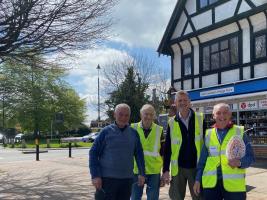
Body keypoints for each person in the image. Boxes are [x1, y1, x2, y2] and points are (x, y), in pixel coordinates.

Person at [193, 103, 255, 200]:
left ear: (230, 115)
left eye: (225, 113)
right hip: (211, 185)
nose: (222, 116)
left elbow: (251, 158)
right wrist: (197, 180)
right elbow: (202, 162)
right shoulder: (208, 135)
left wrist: (239, 162)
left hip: (234, 186)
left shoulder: (239, 132)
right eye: (218, 113)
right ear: (213, 116)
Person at [89, 103, 145, 200]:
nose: (123, 117)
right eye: (120, 114)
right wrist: (95, 175)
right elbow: (93, 153)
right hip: (107, 180)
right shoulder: (105, 132)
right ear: (114, 115)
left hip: (127, 180)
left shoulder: (134, 134)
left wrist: (142, 173)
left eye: (126, 115)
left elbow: (139, 155)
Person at [162, 90, 205, 200]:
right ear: (175, 103)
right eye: (180, 100)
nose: (182, 103)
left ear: (190, 102)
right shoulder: (171, 122)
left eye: (185, 100)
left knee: (199, 197)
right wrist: (166, 170)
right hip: (178, 169)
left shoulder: (200, 118)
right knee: (176, 197)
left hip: (196, 167)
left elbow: (207, 145)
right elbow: (167, 149)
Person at [131, 104, 165, 200]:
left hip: (154, 171)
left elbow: (163, 153)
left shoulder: (159, 130)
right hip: (136, 171)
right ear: (141, 115)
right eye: (146, 114)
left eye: (151, 114)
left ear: (154, 116)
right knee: (135, 197)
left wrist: (163, 173)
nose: (148, 117)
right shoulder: (133, 128)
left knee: (153, 198)